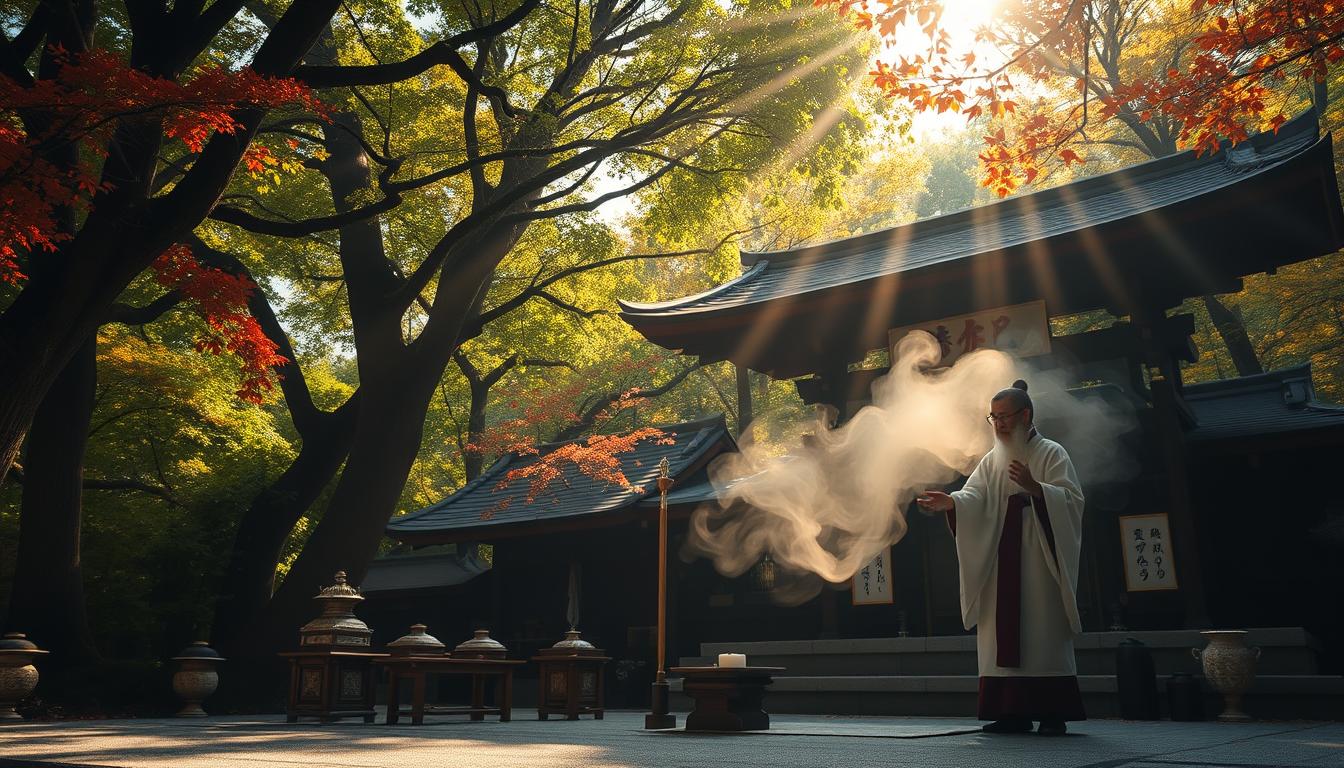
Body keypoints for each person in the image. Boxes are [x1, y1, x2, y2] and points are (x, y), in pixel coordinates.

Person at [916, 379, 1086, 736]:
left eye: (1005, 416)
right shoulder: (993, 460)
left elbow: (1071, 501)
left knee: (1042, 630)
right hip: (998, 552)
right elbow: (973, 496)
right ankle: (1010, 712)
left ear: (1026, 415)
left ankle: (1053, 714)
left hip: (1039, 554)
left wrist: (1036, 488)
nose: (999, 424)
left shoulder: (1052, 453)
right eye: (993, 417)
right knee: (998, 632)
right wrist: (953, 503)